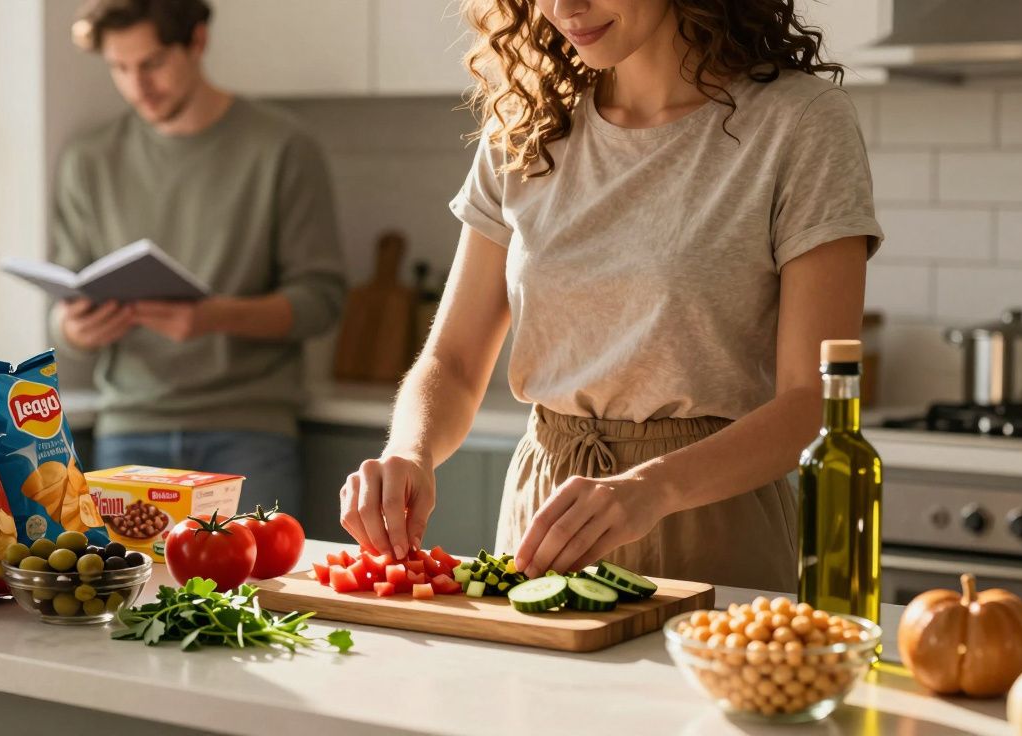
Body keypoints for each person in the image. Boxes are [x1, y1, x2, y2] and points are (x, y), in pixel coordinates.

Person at [338, 0, 883, 592]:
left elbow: (815, 401)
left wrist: (652, 489)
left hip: (710, 524)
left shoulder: (799, 122)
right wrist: (409, 451)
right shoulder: (526, 127)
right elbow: (455, 361)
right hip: (541, 524)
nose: (563, 8)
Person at [51, 0, 346, 516]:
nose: (137, 86)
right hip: (128, 432)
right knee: (127, 597)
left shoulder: (282, 147)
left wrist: (214, 318)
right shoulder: (89, 160)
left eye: (152, 64)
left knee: (257, 596)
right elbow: (65, 313)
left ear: (198, 42)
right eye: (119, 68)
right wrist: (75, 329)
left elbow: (321, 301)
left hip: (250, 432)